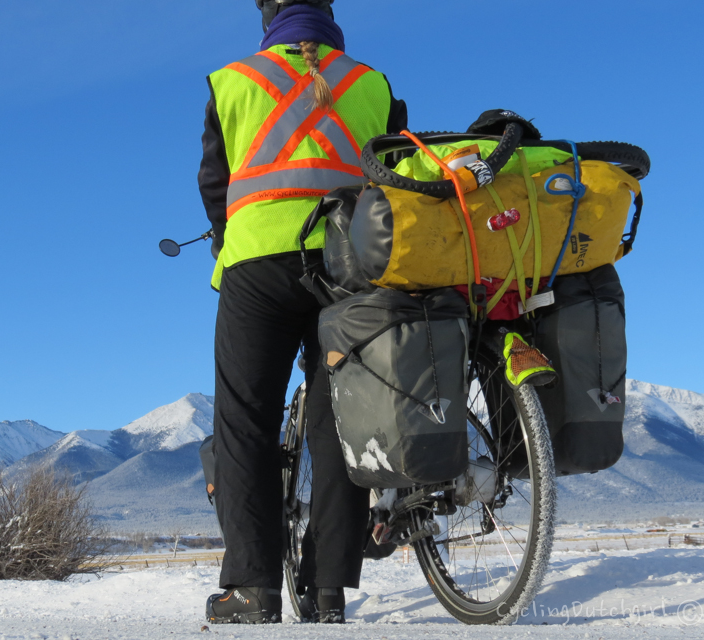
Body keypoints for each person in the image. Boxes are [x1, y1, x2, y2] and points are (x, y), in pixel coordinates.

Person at [198, 0, 407, 624]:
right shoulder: (372, 85)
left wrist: (228, 241)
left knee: (246, 422)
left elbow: (215, 183)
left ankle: (252, 589)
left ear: (269, 19)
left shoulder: (233, 81)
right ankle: (329, 590)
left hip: (257, 264)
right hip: (350, 266)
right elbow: (394, 177)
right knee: (342, 423)